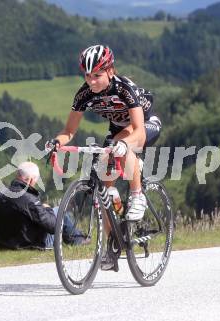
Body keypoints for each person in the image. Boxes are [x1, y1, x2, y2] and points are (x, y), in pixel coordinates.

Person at [45, 44, 162, 270]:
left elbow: (137, 129)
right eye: (87, 75)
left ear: (110, 71)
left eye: (97, 75)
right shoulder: (84, 94)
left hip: (144, 126)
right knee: (104, 190)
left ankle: (138, 195)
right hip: (118, 131)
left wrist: (124, 144)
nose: (91, 81)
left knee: (122, 147)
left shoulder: (124, 88)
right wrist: (57, 141)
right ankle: (114, 243)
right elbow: (69, 131)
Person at [0, 161, 87, 250]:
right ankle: (77, 240)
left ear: (18, 175)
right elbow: (53, 227)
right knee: (59, 211)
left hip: (2, 245)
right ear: (31, 180)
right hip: (31, 244)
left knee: (55, 211)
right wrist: (48, 209)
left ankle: (76, 238)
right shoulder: (30, 200)